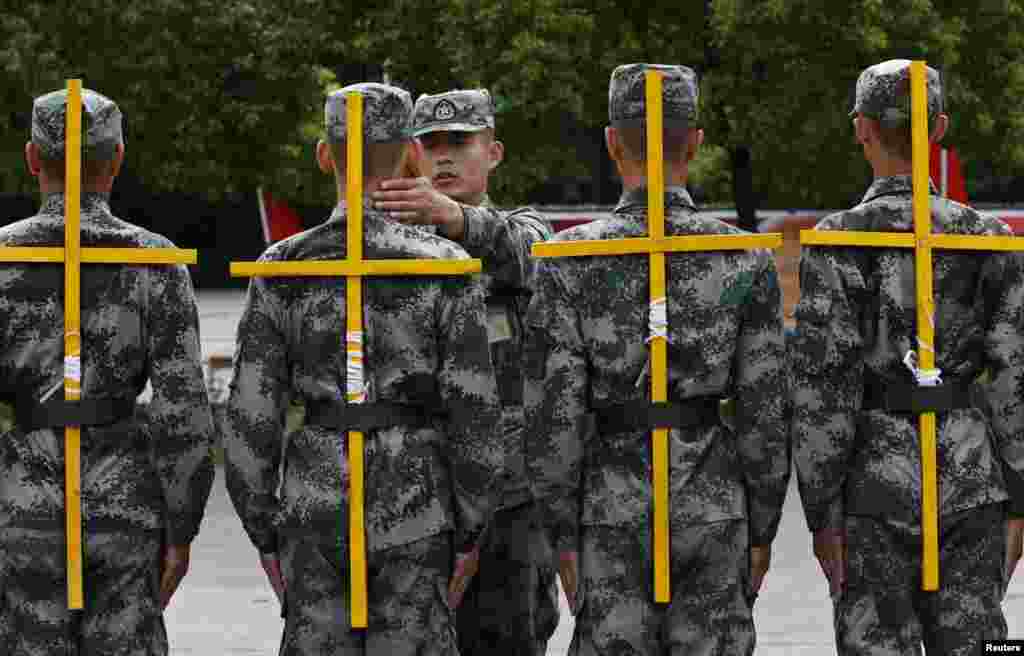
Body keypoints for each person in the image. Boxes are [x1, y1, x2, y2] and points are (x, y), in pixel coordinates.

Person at [222, 82, 504, 655]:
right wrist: (469, 531)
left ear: (326, 155)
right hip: (418, 506)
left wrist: (265, 531)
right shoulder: (445, 264)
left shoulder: (284, 265)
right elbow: (474, 412)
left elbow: (251, 414)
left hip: (314, 501)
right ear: (407, 153)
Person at [522, 63, 789, 654]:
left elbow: (553, 416)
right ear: (695, 142)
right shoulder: (743, 257)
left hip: (609, 503)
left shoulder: (568, 260)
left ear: (612, 142)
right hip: (712, 501)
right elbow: (765, 411)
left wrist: (562, 533)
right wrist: (762, 525)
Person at [792, 59, 1024, 654]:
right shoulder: (991, 240)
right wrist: (1019, 496)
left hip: (873, 488)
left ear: (861, 128)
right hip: (973, 481)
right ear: (939, 127)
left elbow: (824, 389)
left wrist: (822, 511)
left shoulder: (836, 241)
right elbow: (1012, 377)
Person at [0, 88, 216, 654]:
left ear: (31, 157)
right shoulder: (155, 261)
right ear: (117, 158)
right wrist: (182, 524)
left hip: (21, 501)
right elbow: (183, 410)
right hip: (125, 505)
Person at [371, 87, 556, 656]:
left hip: (508, 495)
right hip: (409, 489)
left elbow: (532, 259)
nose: (445, 157)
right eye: (431, 145)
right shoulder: (388, 243)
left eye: (461, 142)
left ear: (494, 153)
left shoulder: (522, 228)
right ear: (412, 156)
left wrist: (453, 220)